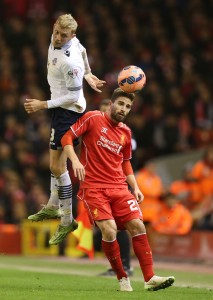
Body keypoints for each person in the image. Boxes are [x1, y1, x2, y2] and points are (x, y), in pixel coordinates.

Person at [61, 87, 175, 292]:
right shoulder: (93, 118)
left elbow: (125, 163)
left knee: (138, 226)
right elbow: (66, 138)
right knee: (110, 229)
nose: (124, 108)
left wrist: (135, 187)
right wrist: (75, 161)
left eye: (128, 106)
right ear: (111, 104)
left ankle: (149, 278)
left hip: (119, 188)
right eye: (121, 104)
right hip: (94, 187)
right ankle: (122, 277)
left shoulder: (126, 132)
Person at [24, 14, 105, 245]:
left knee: (57, 167)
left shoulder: (71, 63)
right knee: (55, 165)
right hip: (61, 109)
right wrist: (90, 74)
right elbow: (84, 48)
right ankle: (53, 206)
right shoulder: (62, 39)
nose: (58, 37)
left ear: (72, 35)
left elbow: (70, 96)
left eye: (63, 35)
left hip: (68, 110)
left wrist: (42, 104)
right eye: (57, 32)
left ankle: (66, 218)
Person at [97, 98, 133, 276]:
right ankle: (118, 266)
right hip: (98, 184)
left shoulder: (124, 132)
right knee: (109, 228)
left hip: (119, 183)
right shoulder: (96, 126)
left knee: (119, 227)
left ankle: (125, 265)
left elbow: (127, 160)